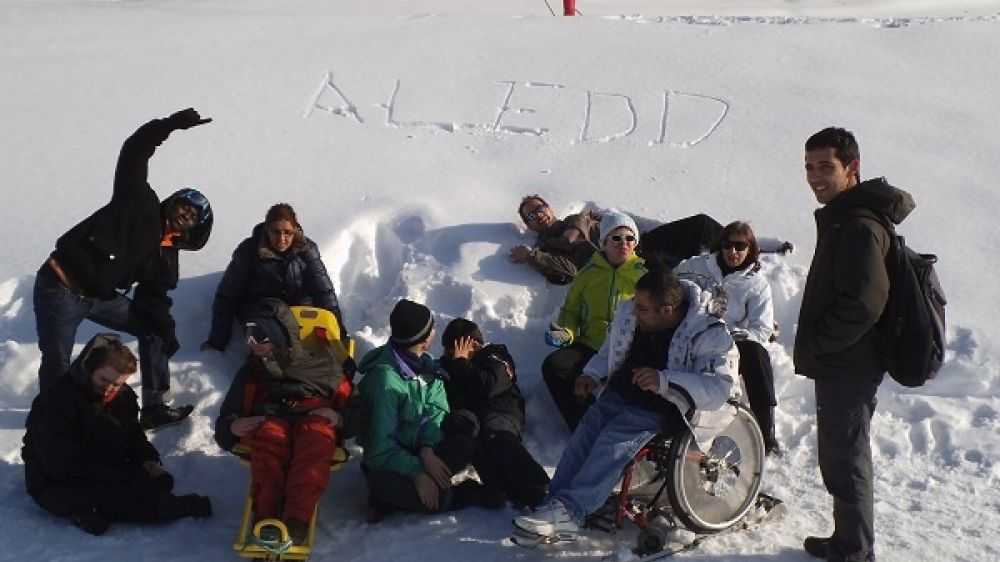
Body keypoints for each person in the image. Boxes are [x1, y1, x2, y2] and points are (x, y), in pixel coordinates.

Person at [513, 270, 738, 542]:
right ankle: (554, 503)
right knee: (584, 437)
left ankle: (570, 511)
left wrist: (664, 380)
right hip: (621, 392)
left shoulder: (709, 332)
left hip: (665, 406)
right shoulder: (634, 315)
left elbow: (718, 386)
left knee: (612, 442)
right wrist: (592, 374)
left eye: (642, 309)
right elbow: (611, 349)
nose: (634, 312)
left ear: (667, 310)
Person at [33, 108, 213, 430]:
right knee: (57, 360)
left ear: (193, 230)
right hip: (60, 284)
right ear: (172, 203)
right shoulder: (138, 200)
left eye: (192, 217)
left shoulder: (167, 255)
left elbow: (154, 297)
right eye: (183, 207)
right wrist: (171, 124)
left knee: (154, 329)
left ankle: (155, 408)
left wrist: (164, 326)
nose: (185, 215)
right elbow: (135, 148)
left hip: (98, 297)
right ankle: (54, 421)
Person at [794, 127, 913, 562]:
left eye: (826, 166)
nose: (815, 176)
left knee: (847, 460)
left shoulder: (860, 225)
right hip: (844, 360)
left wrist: (822, 345)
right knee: (841, 457)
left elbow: (864, 304)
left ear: (852, 168)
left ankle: (856, 551)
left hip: (850, 362)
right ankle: (848, 540)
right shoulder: (847, 217)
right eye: (809, 167)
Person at [22, 333, 212, 536]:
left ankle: (90, 512)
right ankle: (169, 508)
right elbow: (61, 465)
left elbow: (133, 435)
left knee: (159, 483)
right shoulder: (55, 402)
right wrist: (123, 477)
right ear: (89, 369)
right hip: (57, 480)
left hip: (104, 465)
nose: (109, 389)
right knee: (119, 495)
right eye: (104, 380)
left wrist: (149, 460)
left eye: (117, 384)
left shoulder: (122, 396)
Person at [213, 298, 365, 544]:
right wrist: (231, 426)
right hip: (273, 418)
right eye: (248, 336)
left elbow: (357, 408)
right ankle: (267, 516)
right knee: (270, 442)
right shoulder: (252, 372)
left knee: (313, 443)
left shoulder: (323, 367)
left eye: (259, 337)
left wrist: (339, 417)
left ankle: (297, 520)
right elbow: (229, 413)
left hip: (315, 418)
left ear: (278, 336)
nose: (252, 344)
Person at [356, 299, 503, 522]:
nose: (435, 330)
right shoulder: (385, 382)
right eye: (432, 327)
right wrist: (417, 472)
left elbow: (437, 411)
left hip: (421, 449)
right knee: (383, 485)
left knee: (465, 435)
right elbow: (379, 449)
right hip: (392, 459)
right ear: (423, 339)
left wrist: (427, 450)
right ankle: (456, 496)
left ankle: (399, 501)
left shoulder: (427, 366)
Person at [674, 221, 781, 454]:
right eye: (727, 245)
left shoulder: (757, 285)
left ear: (750, 248)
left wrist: (729, 337)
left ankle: (765, 430)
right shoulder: (695, 266)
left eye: (740, 246)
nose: (733, 252)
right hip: (689, 334)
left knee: (756, 354)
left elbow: (761, 329)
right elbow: (669, 291)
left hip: (728, 341)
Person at [542, 210, 647, 430]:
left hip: (630, 348)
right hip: (592, 345)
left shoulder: (644, 276)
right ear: (604, 242)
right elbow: (571, 311)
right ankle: (583, 426)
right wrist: (566, 332)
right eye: (616, 238)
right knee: (554, 366)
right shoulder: (587, 275)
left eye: (630, 239)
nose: (623, 244)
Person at [202, 203, 347, 353]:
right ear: (267, 230)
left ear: (295, 230)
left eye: (287, 233)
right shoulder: (249, 252)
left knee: (311, 335)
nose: (281, 239)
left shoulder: (306, 251)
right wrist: (217, 341)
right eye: (275, 232)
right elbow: (227, 296)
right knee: (270, 346)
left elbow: (323, 291)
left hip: (298, 310)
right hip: (262, 311)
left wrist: (340, 335)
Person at [439, 318, 550, 511]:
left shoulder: (494, 355)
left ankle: (542, 491)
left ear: (471, 344)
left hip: (501, 414)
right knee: (478, 446)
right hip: (474, 422)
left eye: (453, 349)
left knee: (496, 436)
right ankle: (517, 497)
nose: (449, 355)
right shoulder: (448, 366)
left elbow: (489, 385)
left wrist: (461, 362)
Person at [509, 195, 601, 285]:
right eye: (531, 215)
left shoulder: (576, 219)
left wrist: (578, 223)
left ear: (550, 209)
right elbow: (571, 270)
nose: (539, 215)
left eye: (541, 209)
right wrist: (532, 256)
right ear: (528, 225)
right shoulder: (544, 247)